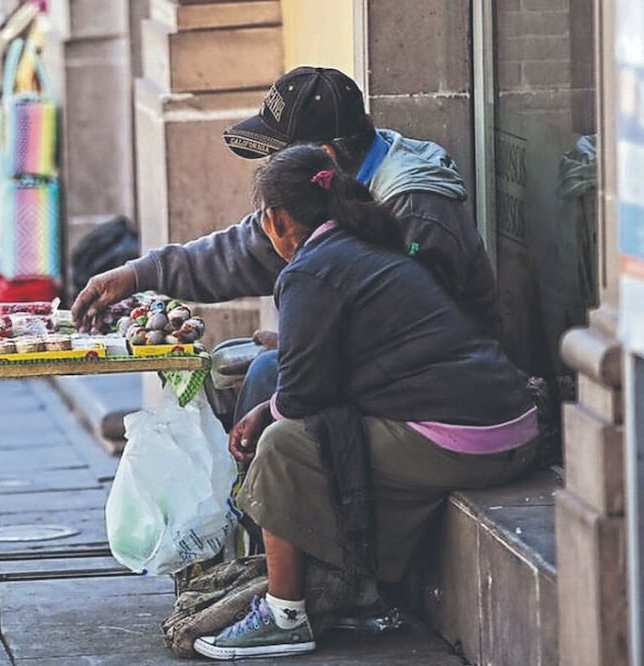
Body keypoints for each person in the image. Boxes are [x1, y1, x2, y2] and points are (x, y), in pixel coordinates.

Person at [188, 145, 537, 661]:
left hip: (467, 438)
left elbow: (304, 397)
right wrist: (272, 403)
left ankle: (285, 614)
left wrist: (267, 413)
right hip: (510, 427)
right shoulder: (367, 244)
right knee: (313, 429)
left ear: (275, 219)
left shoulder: (311, 269)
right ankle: (358, 593)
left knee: (283, 446)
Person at [71, 66, 499, 423]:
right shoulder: (329, 188)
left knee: (265, 379)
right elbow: (245, 249)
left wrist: (312, 349)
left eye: (280, 157)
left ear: (324, 155)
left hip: (442, 389)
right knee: (223, 367)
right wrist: (139, 274)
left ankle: (271, 521)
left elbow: (425, 331)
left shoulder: (415, 206)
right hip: (376, 361)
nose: (272, 169)